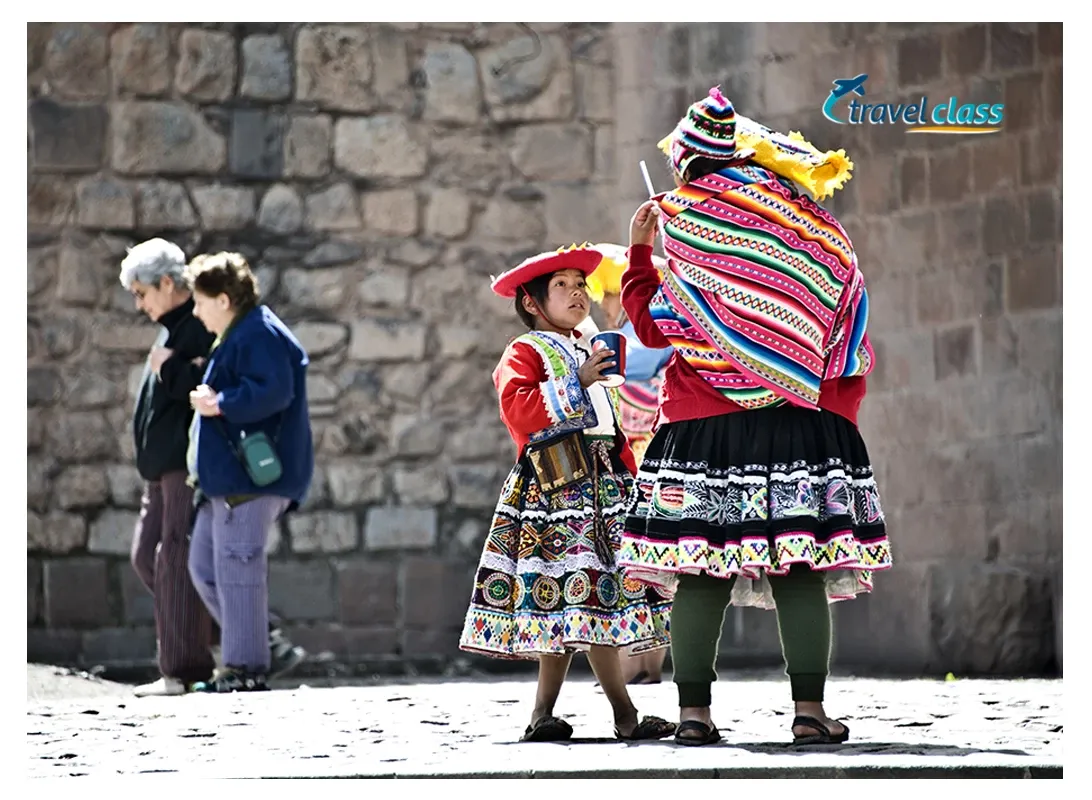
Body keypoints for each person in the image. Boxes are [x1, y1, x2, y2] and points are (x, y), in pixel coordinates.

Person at [618, 88, 893, 746]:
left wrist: (637, 254)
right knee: (798, 567)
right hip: (799, 422)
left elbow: (653, 331)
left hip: (699, 431)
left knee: (698, 567)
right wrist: (822, 398)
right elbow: (845, 307)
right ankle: (809, 713)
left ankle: (693, 715)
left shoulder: (677, 221)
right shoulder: (807, 222)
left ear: (684, 160)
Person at [458, 244, 675, 743]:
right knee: (581, 598)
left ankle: (545, 715)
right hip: (557, 489)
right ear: (533, 303)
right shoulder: (526, 351)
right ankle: (623, 714)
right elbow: (518, 408)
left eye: (581, 285)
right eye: (563, 286)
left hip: (604, 484)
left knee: (574, 603)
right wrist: (577, 381)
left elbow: (608, 421)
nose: (578, 292)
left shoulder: (590, 343)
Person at [184, 252, 315, 693]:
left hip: (249, 482)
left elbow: (273, 391)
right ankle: (264, 646)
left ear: (223, 299)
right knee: (204, 565)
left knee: (238, 572)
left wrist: (219, 402)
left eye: (200, 302)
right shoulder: (245, 330)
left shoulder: (258, 332)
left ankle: (245, 669)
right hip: (228, 483)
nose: (196, 312)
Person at [120, 238, 218, 697]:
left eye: (142, 293)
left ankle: (183, 670)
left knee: (174, 558)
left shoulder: (194, 326)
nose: (139, 304)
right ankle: (221, 629)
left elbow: (198, 389)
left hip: (181, 467)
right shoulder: (169, 328)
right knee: (148, 557)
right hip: (157, 472)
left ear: (165, 283)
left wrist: (171, 368)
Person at [585, 246, 673, 685]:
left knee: (637, 566)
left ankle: (639, 668)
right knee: (646, 567)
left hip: (640, 467)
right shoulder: (631, 338)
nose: (609, 303)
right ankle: (644, 667)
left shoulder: (637, 340)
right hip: (638, 468)